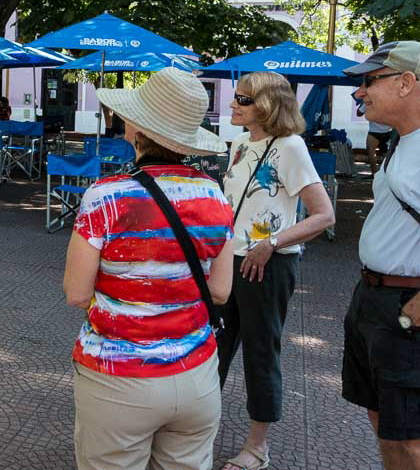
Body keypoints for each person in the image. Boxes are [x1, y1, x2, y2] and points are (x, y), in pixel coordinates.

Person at [63, 67, 235, 470]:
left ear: (139, 128)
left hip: (118, 376)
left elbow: (76, 292)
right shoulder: (214, 194)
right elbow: (222, 291)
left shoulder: (105, 196)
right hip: (196, 375)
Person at [340, 41, 420, 470]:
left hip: (411, 308)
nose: (359, 92)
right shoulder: (407, 141)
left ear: (407, 82)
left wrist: (409, 319)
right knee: (387, 423)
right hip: (377, 299)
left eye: (371, 80)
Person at [217, 72, 335, 470]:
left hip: (265, 267)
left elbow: (323, 215)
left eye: (243, 99)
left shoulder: (290, 147)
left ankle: (256, 448)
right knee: (210, 349)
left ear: (266, 106)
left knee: (260, 352)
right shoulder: (238, 143)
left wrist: (272, 243)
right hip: (228, 262)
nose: (233, 103)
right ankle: (195, 431)